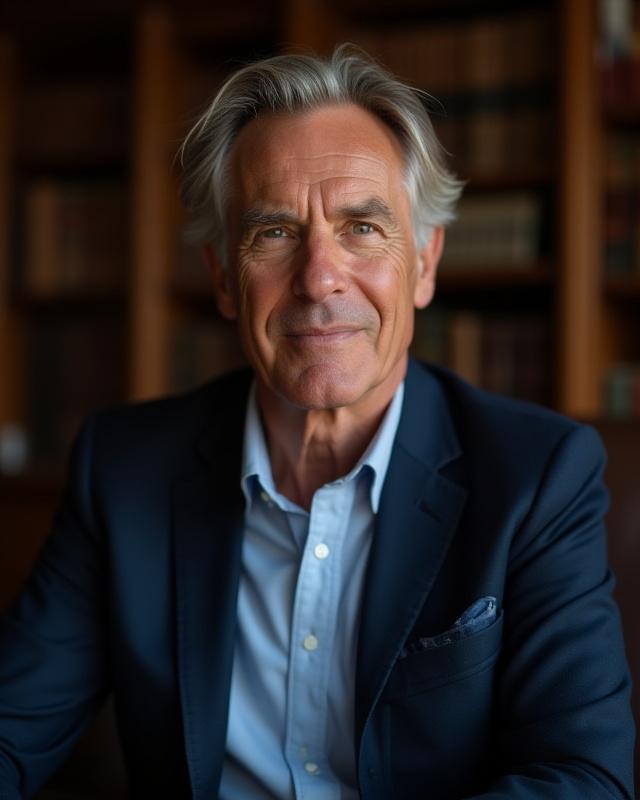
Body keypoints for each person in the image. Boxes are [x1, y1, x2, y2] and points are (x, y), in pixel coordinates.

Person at [0, 45, 634, 800]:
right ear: (224, 279)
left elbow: (583, 779)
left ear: (425, 263)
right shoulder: (124, 469)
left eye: (362, 228)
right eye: (273, 233)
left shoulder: (538, 476)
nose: (318, 276)